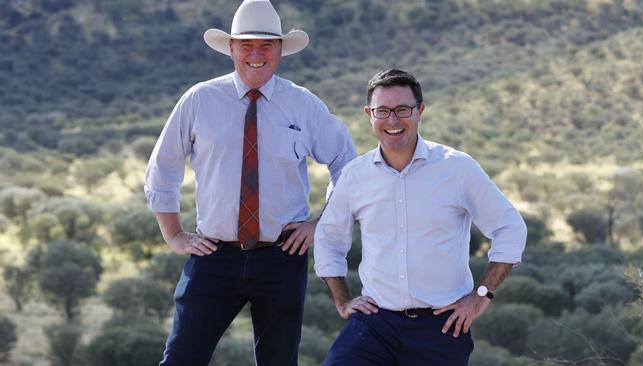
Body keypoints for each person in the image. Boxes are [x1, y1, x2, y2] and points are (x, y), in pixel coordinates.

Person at [144, 0, 356, 365]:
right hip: (212, 256)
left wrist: (319, 223)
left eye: (266, 45)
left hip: (282, 258)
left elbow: (348, 166)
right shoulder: (199, 99)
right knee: (181, 358)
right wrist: (174, 235)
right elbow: (162, 167)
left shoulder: (303, 105)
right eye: (246, 45)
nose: (256, 54)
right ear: (230, 49)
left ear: (280, 51)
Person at [314, 68, 527, 366]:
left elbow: (510, 227)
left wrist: (481, 295)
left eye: (402, 109)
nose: (392, 120)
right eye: (382, 111)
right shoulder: (355, 176)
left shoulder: (457, 169)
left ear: (420, 111)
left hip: (441, 326)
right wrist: (343, 300)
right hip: (375, 323)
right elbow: (328, 240)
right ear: (368, 114)